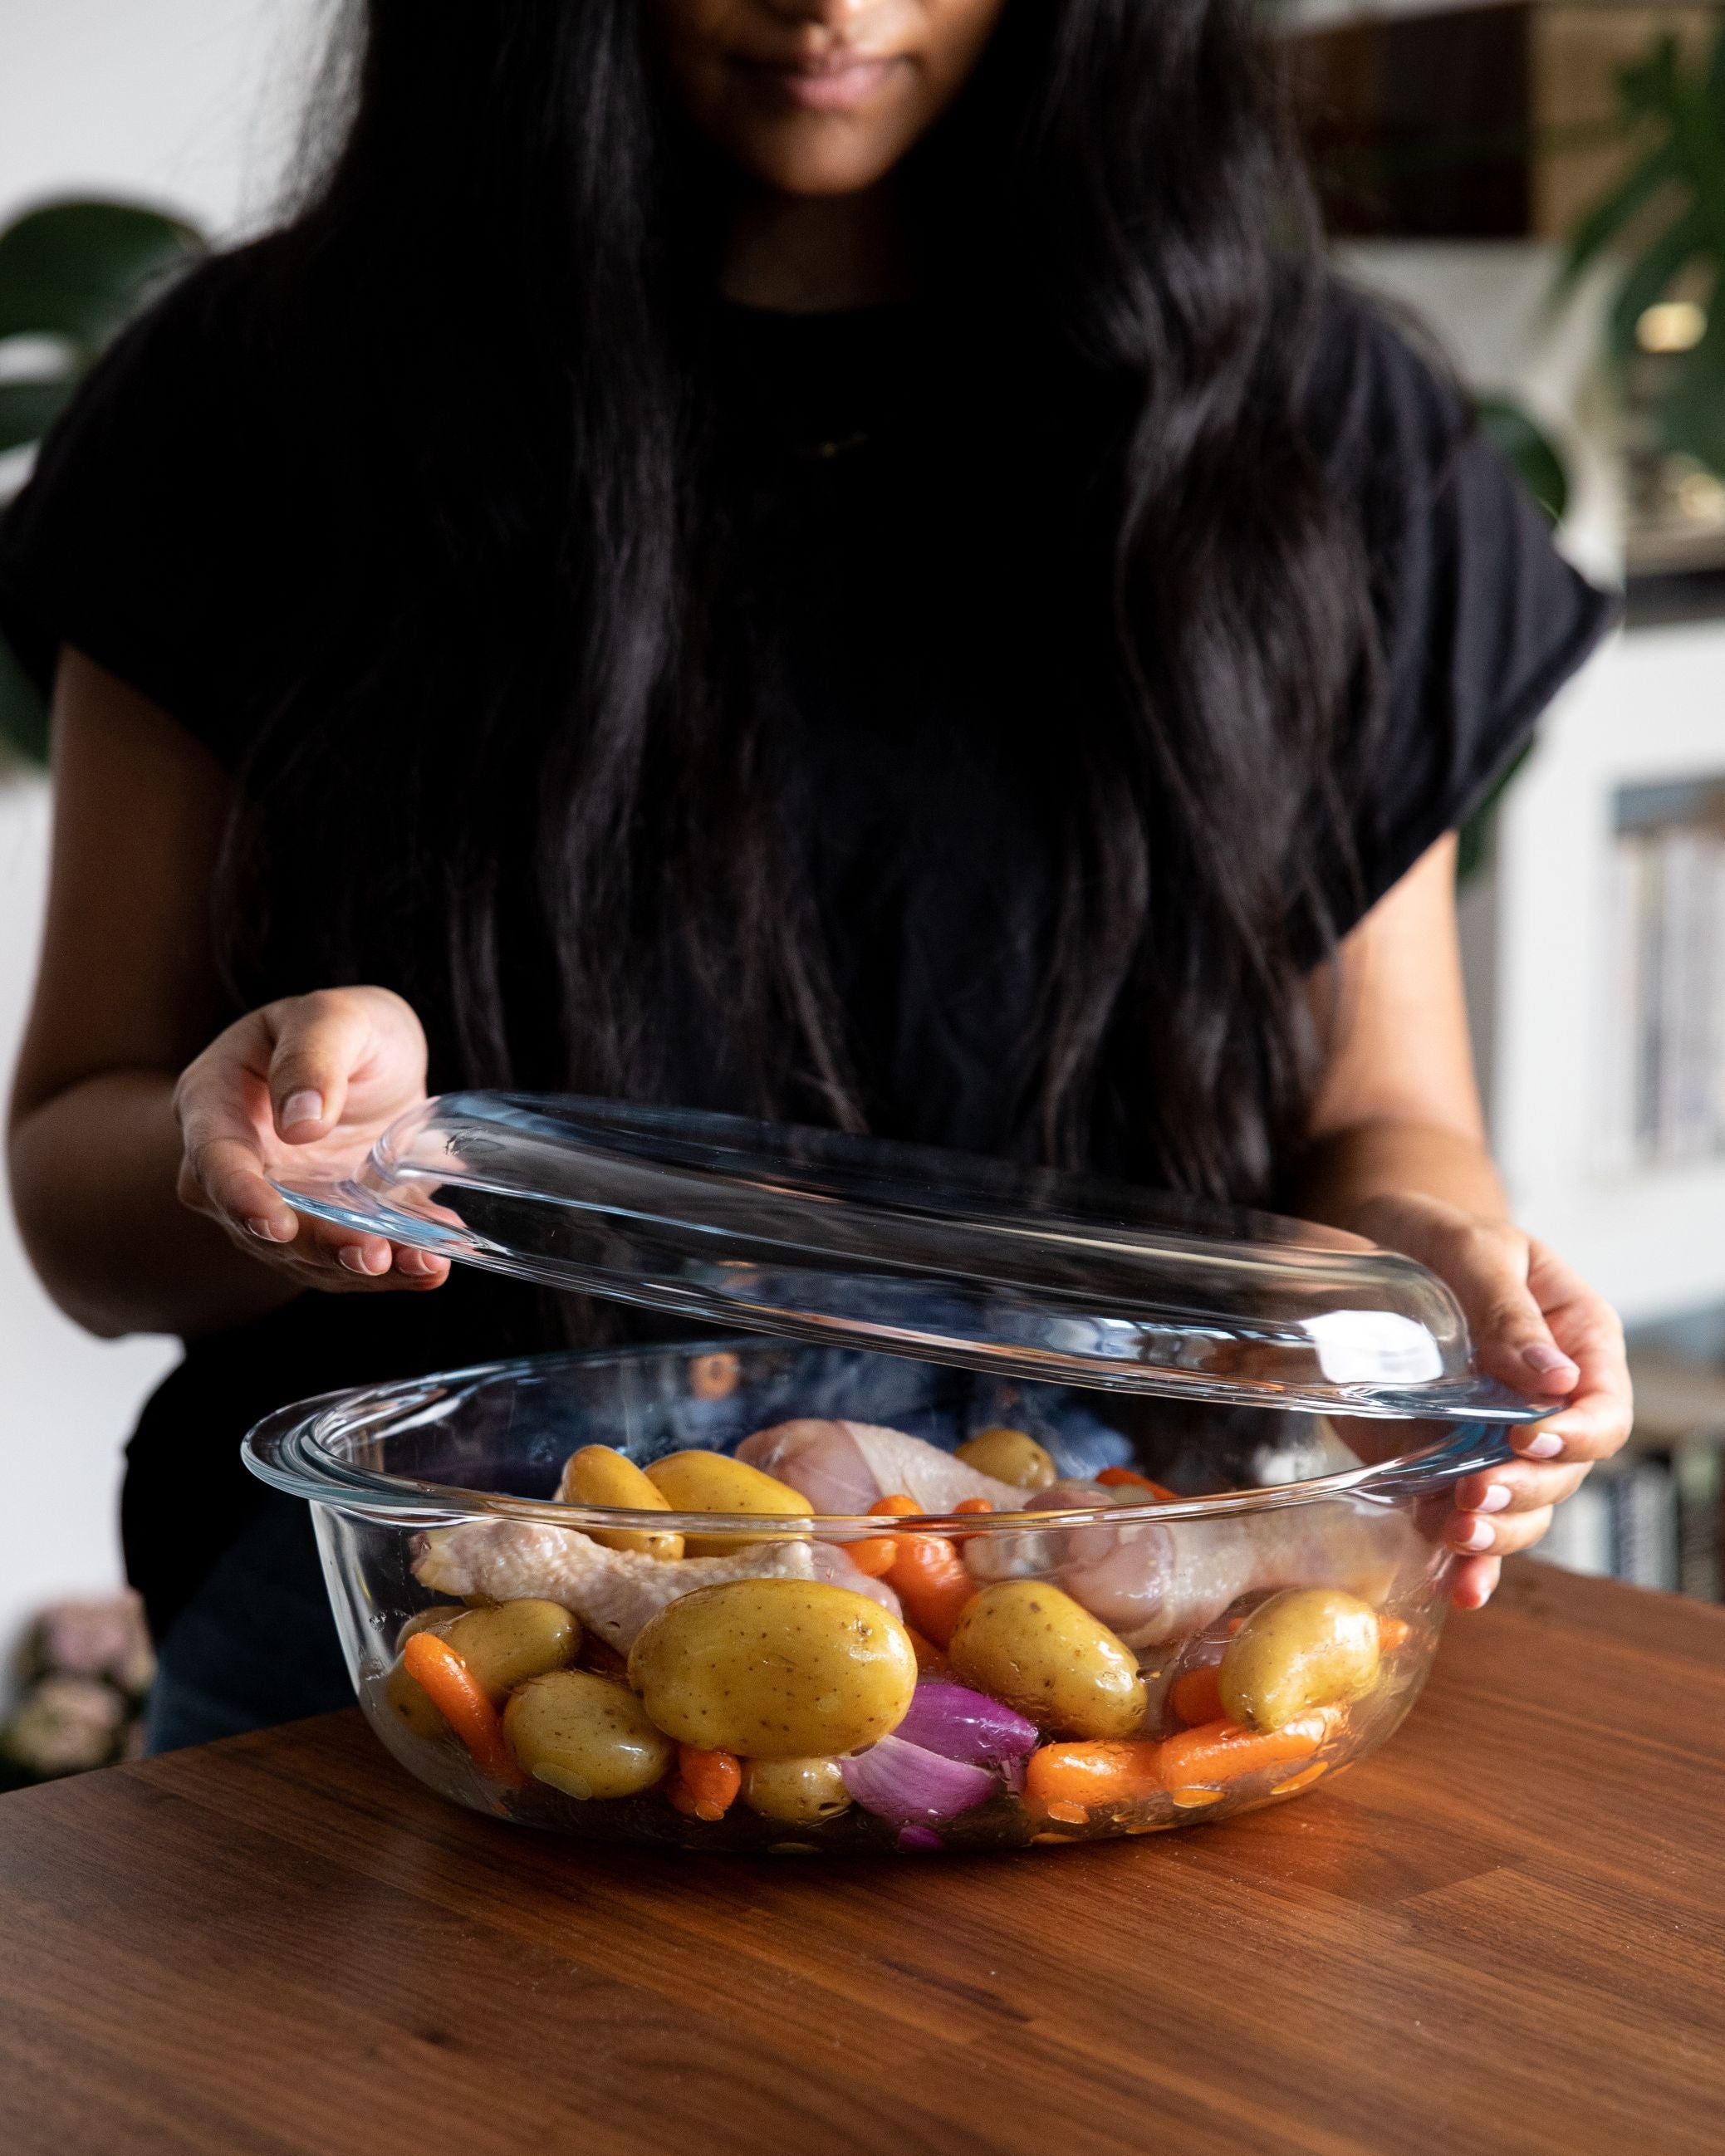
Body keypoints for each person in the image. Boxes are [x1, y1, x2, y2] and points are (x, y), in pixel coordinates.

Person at [2, 0, 1630, 1750]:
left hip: (1094, 1633)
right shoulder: (250, 409)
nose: (832, 6)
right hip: (403, 1679)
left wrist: (1435, 1265)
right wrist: (282, 1150)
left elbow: (1384, 1117)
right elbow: (77, 1203)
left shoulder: (1313, 434)